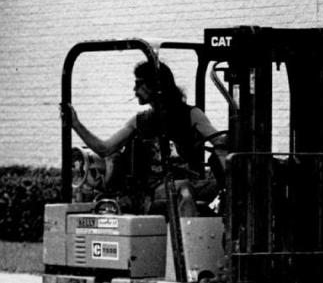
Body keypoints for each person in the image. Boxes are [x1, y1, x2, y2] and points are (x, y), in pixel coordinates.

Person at [65, 60, 226, 216]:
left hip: (191, 181)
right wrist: (76, 124)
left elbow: (219, 142)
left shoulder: (192, 115)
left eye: (139, 84)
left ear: (156, 85)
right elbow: (104, 148)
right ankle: (188, 243)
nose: (134, 90)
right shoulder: (140, 121)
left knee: (232, 188)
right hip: (153, 190)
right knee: (184, 190)